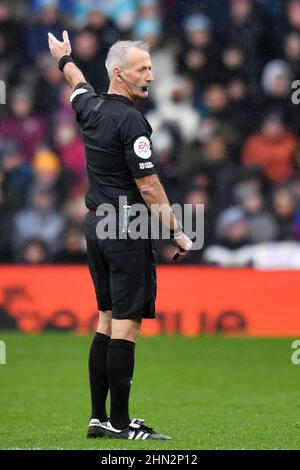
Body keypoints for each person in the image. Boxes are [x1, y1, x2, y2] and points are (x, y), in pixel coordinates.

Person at [48, 31, 193, 440]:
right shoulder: (131, 120)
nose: (150, 75)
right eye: (142, 69)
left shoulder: (90, 107)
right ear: (119, 73)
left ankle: (98, 419)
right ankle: (120, 424)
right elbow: (148, 186)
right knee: (127, 326)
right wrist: (177, 232)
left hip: (95, 224)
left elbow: (76, 82)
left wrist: (63, 59)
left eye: (150, 67)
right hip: (126, 227)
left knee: (105, 320)